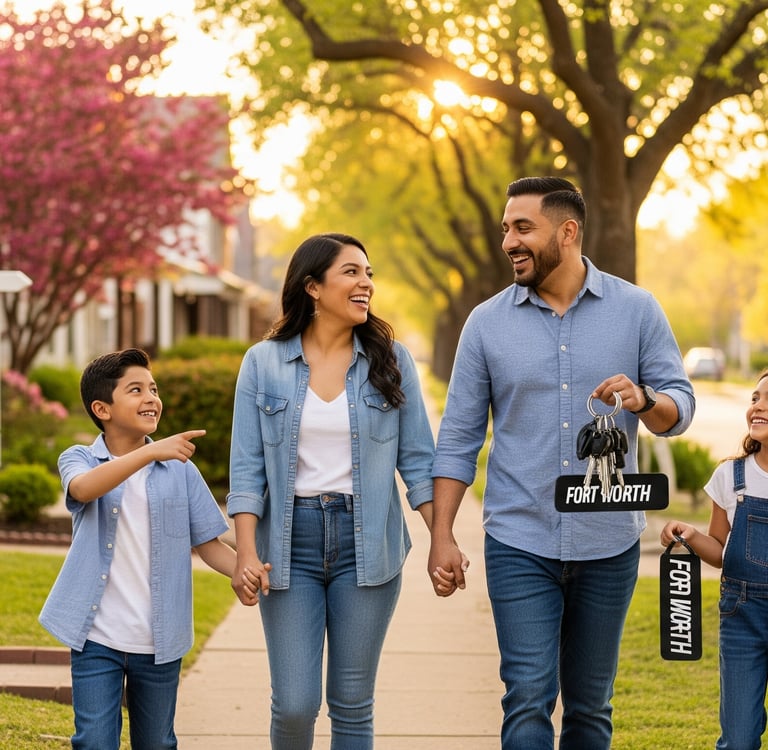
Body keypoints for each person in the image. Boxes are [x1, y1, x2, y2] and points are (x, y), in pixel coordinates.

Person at [428, 176, 695, 749]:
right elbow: (457, 439)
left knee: (591, 707)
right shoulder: (486, 323)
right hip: (519, 539)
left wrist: (645, 398)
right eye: (506, 229)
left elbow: (681, 406)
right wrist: (442, 534)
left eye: (523, 227)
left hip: (610, 541)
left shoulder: (637, 310)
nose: (509, 241)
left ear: (568, 232)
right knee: (526, 695)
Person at [227, 232, 458, 750]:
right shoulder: (262, 363)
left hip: (369, 544)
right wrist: (245, 551)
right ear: (312, 286)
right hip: (289, 547)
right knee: (294, 704)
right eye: (352, 272)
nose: (365, 283)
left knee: (352, 702)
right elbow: (246, 470)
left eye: (369, 273)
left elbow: (419, 461)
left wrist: (440, 537)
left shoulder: (390, 359)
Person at [39, 347, 259, 750]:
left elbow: (208, 544)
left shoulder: (179, 470)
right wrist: (150, 452)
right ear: (102, 408)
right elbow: (83, 490)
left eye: (153, 389)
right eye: (136, 390)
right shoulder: (81, 459)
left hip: (159, 641)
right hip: (96, 639)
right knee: (93, 742)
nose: (151, 398)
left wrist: (245, 572)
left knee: (157, 743)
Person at [661, 369, 768, 750]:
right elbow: (721, 552)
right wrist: (691, 536)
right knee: (739, 740)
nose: (758, 407)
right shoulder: (731, 475)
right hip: (742, 616)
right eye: (755, 398)